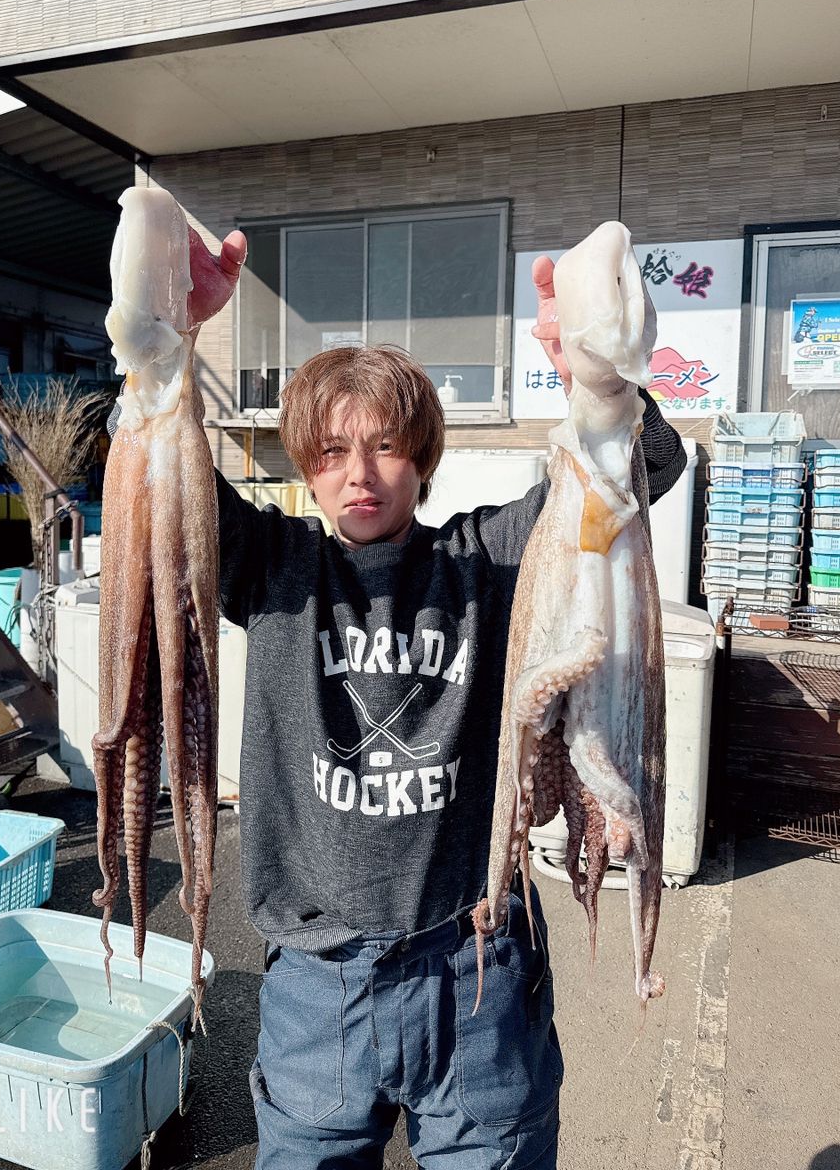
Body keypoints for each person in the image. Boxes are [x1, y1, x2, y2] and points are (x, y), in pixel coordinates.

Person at [114, 228, 686, 1169]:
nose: (359, 471)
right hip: (317, 988)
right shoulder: (272, 567)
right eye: (333, 450)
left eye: (385, 446)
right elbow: (150, 466)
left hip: (477, 967)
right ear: (305, 463)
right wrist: (163, 338)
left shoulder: (491, 559)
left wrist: (598, 382)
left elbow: (640, 469)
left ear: (423, 458)